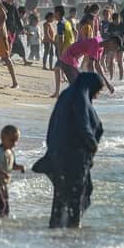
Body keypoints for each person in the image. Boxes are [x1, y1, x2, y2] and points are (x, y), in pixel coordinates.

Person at [32, 73, 105, 229]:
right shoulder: (79, 99)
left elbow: (54, 127)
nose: (97, 96)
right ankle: (72, 233)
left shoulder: (68, 95)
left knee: (60, 196)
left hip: (58, 154)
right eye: (97, 91)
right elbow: (84, 126)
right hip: (73, 158)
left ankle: (55, 231)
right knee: (75, 197)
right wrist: (93, 145)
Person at [53, 35, 118, 97]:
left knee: (77, 85)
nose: (113, 50)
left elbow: (97, 65)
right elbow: (90, 65)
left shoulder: (100, 45)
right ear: (111, 42)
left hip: (71, 57)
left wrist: (107, 84)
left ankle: (58, 94)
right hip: (69, 58)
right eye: (114, 47)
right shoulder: (96, 43)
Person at [0, 125, 25, 219]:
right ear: (3, 139)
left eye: (16, 141)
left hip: (3, 184)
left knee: (6, 207)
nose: (14, 144)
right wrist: (0, 172)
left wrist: (20, 167)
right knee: (0, 204)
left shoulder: (11, 152)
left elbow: (12, 166)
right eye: (12, 141)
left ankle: (3, 224)